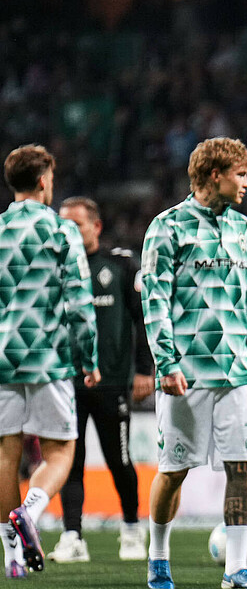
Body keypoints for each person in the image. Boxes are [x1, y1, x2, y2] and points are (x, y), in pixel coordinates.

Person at [141, 137, 247, 589]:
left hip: (236, 371)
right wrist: (166, 364)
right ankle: (158, 558)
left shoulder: (243, 230)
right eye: (240, 174)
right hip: (186, 374)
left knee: (242, 467)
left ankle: (236, 569)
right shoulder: (167, 227)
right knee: (173, 470)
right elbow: (155, 302)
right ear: (215, 175)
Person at [0, 144, 100, 578]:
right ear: (44, 181)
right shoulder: (62, 232)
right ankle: (31, 511)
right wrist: (89, 357)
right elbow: (79, 302)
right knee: (61, 452)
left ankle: (11, 555)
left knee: (6, 455)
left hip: (3, 357)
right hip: (49, 357)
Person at [49, 197, 154, 563]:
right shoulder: (53, 267)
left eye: (75, 224)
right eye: (63, 224)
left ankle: (130, 529)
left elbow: (142, 320)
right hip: (66, 383)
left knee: (119, 460)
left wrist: (144, 369)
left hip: (111, 383)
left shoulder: (120, 265)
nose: (67, 231)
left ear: (96, 226)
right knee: (69, 463)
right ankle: (72, 536)